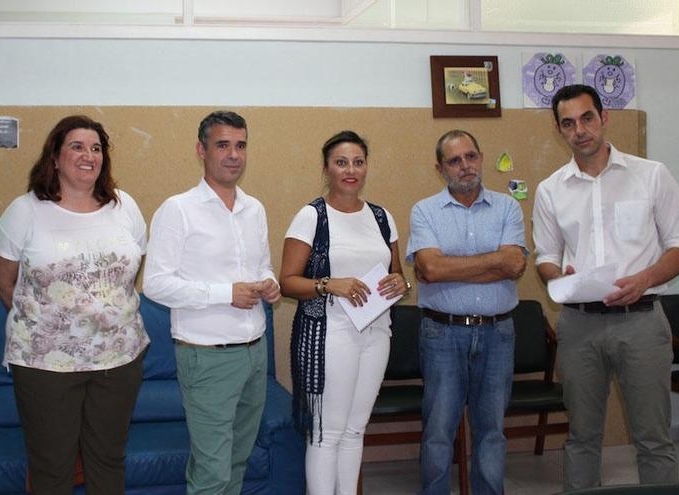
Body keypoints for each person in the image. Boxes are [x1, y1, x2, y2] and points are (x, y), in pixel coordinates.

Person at [533, 84, 679, 491]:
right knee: (582, 437)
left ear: (604, 118)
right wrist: (558, 275)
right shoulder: (552, 189)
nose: (579, 130)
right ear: (559, 130)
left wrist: (645, 279)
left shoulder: (650, 174)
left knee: (653, 439)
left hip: (641, 322)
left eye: (587, 118)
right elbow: (545, 256)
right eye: (568, 123)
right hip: (579, 325)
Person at [0, 115, 149, 494]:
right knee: (52, 468)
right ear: (55, 158)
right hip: (46, 366)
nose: (88, 155)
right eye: (76, 146)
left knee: (108, 460)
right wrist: (49, 323)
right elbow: (0, 276)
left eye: (96, 148)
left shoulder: (124, 207)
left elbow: (129, 269)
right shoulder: (25, 211)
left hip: (119, 361)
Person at [143, 110, 280, 495]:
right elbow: (155, 284)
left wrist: (269, 285)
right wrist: (225, 293)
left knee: (238, 460)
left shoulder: (254, 208)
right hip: (207, 357)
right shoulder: (178, 209)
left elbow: (263, 266)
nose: (233, 154)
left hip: (255, 352)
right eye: (223, 145)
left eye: (240, 145)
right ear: (201, 150)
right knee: (212, 472)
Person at [279, 130, 410, 494]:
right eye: (341, 163)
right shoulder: (311, 216)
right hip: (329, 335)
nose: (350, 170)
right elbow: (287, 281)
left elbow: (396, 274)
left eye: (358, 162)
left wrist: (403, 284)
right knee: (326, 433)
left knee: (355, 430)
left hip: (376, 333)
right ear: (327, 168)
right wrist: (327, 284)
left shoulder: (383, 217)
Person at [406, 129, 526, 495]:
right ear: (440, 168)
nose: (465, 166)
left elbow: (515, 264)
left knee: (491, 430)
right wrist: (494, 263)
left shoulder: (508, 207)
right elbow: (431, 269)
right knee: (439, 430)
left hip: (498, 333)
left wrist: (453, 264)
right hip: (442, 334)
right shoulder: (424, 210)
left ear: (481, 157)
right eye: (454, 161)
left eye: (471, 156)